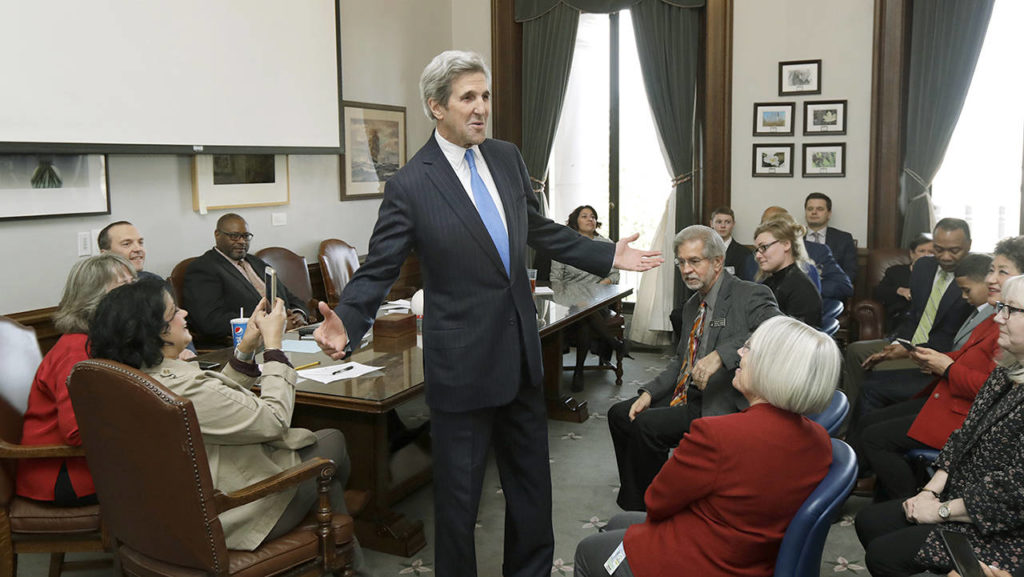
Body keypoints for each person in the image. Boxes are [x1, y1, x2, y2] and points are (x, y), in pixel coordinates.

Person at [311, 50, 661, 577]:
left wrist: (607, 252)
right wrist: (349, 318)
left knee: (531, 489)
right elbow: (379, 267)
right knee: (459, 503)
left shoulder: (505, 156)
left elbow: (537, 230)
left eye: (486, 95)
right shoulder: (410, 184)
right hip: (462, 366)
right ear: (436, 107)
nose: (481, 109)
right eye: (467, 98)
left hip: (521, 354)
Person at [87, 278, 366, 572]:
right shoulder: (181, 387)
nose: (184, 313)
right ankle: (350, 559)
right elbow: (275, 421)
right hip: (226, 517)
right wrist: (273, 348)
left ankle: (348, 562)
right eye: (174, 312)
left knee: (326, 480)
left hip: (158, 518)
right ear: (156, 332)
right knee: (330, 445)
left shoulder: (128, 378)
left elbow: (211, 405)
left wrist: (246, 347)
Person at [577, 316, 839, 577]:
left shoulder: (718, 435)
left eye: (749, 348)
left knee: (588, 551)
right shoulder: (821, 441)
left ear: (772, 367)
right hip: (753, 556)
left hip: (703, 560)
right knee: (616, 524)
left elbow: (657, 502)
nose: (739, 353)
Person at [855, 274, 1024, 577]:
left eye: (1011, 310)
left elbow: (1014, 492)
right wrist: (929, 492)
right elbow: (963, 434)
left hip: (1004, 528)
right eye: (1001, 307)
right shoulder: (1006, 370)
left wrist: (941, 511)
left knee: (884, 555)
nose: (998, 317)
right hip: (965, 498)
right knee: (868, 521)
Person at [608, 225, 779, 511]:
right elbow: (681, 360)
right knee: (621, 414)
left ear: (717, 262)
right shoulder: (691, 306)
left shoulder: (749, 294)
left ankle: (649, 510)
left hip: (721, 401)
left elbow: (775, 328)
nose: (687, 270)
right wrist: (650, 392)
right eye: (682, 262)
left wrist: (721, 355)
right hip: (688, 392)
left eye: (694, 261)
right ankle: (637, 501)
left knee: (647, 426)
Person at [849, 252, 1001, 500]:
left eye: (1000, 272)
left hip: (963, 411)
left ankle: (908, 505)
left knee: (875, 435)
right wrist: (923, 355)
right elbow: (963, 353)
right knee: (870, 422)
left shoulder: (1002, 319)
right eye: (992, 271)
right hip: (949, 392)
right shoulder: (993, 314)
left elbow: (993, 388)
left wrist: (945, 366)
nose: (993, 278)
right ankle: (858, 487)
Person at [15, 254, 136, 506]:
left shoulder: (101, 341)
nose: (136, 294)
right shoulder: (76, 350)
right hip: (63, 473)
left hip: (91, 462)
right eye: (125, 286)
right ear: (95, 299)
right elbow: (77, 432)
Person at [844, 218, 974, 413]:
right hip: (908, 340)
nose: (946, 256)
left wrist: (911, 352)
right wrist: (898, 344)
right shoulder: (923, 267)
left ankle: (869, 423)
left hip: (938, 353)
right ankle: (847, 424)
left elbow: (958, 337)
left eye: (954, 250)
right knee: (855, 351)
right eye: (938, 249)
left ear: (969, 245)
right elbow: (914, 315)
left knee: (877, 370)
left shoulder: (975, 277)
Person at [183, 213, 309, 346]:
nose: (242, 241)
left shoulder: (257, 262)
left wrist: (298, 315)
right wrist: (270, 324)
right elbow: (210, 321)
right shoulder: (203, 268)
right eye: (234, 236)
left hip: (289, 337)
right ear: (217, 234)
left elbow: (289, 297)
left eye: (245, 236)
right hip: (246, 344)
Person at [550, 205, 625, 390]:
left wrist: (598, 288)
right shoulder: (565, 245)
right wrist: (574, 297)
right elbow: (555, 280)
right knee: (583, 314)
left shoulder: (605, 244)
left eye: (593, 216)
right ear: (575, 221)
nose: (590, 219)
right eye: (584, 216)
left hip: (598, 299)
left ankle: (579, 371)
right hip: (569, 300)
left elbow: (615, 275)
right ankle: (612, 343)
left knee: (585, 313)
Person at [753, 217, 822, 328]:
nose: (757, 255)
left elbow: (795, 340)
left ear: (786, 244)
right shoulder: (769, 283)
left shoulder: (801, 289)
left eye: (763, 247)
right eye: (757, 249)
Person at [874, 234, 935, 334]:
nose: (926, 255)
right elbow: (879, 292)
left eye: (931, 252)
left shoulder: (939, 275)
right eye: (922, 251)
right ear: (912, 254)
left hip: (928, 318)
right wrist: (900, 290)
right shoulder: (895, 271)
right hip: (900, 317)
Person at [804, 191, 858, 280]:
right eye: (810, 209)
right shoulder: (793, 238)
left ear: (829, 214)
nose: (814, 212)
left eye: (820, 209)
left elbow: (850, 272)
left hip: (832, 290)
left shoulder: (844, 239)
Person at [97, 220, 162, 282]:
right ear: (105, 254)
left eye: (140, 242)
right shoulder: (94, 287)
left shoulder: (154, 281)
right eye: (126, 244)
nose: (138, 249)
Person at [710, 206, 753, 278]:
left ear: (733, 224)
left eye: (727, 222)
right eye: (719, 222)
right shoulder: (702, 250)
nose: (723, 226)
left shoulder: (745, 253)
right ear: (711, 224)